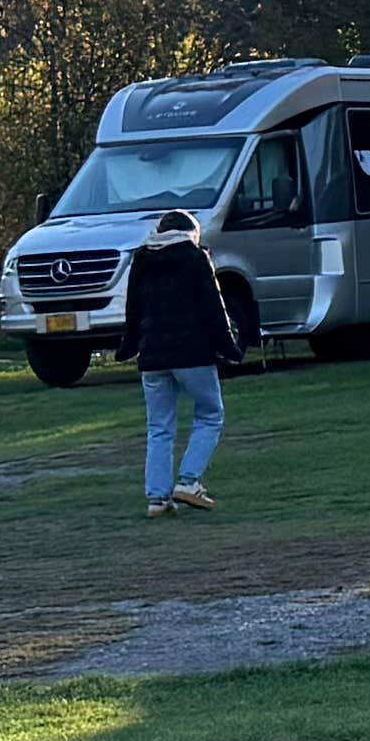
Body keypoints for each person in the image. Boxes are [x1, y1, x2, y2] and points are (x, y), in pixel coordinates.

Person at [122, 204, 232, 514]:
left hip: (153, 356)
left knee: (159, 426)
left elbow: (134, 309)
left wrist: (129, 346)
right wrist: (229, 347)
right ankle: (189, 481)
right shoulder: (195, 258)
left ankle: (157, 497)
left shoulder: (141, 259)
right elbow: (213, 307)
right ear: (190, 234)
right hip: (193, 353)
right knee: (211, 414)